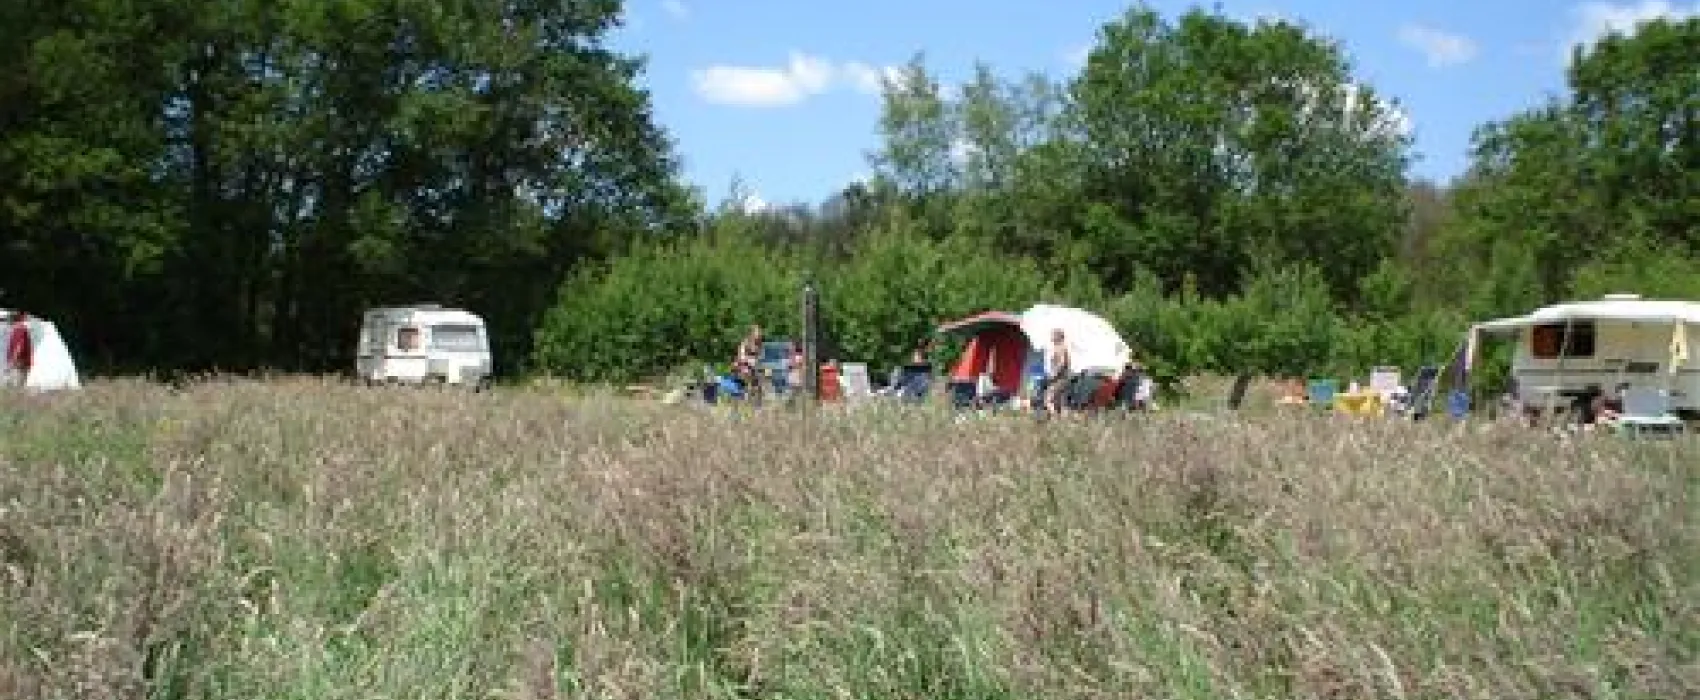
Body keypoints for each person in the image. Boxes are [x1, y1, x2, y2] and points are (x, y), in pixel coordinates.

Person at [733, 324, 764, 402]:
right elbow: (741, 356)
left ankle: (756, 400)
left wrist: (756, 360)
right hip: (743, 365)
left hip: (753, 366)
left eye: (759, 332)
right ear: (752, 333)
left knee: (758, 380)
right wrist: (749, 360)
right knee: (747, 376)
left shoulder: (759, 344)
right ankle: (744, 396)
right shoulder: (745, 343)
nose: (759, 334)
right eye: (757, 332)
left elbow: (760, 356)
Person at [1043, 328, 1071, 413]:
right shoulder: (1062, 347)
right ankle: (1063, 418)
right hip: (1064, 376)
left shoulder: (1060, 348)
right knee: (1061, 400)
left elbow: (1062, 363)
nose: (1051, 337)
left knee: (1048, 397)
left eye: (1053, 335)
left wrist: (1054, 374)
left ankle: (1053, 416)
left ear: (1058, 337)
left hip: (1060, 377)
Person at [5, 312, 32, 388]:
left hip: (18, 364)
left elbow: (19, 347)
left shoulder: (19, 329)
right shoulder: (22, 329)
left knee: (14, 387)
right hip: (21, 363)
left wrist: (12, 362)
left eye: (9, 319)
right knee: (17, 387)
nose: (8, 322)